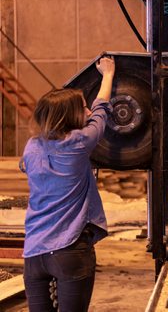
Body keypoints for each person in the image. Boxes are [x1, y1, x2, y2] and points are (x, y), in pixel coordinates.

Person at [20, 56, 115, 311]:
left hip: (34, 254)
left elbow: (24, 165)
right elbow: (101, 110)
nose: (86, 112)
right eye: (81, 108)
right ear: (70, 116)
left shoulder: (31, 148)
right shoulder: (79, 143)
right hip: (69, 249)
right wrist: (107, 74)